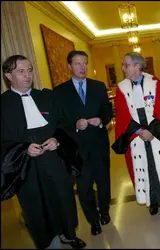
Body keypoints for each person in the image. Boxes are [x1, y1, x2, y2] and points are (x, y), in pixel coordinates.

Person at [1, 55, 86, 249]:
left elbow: (64, 125)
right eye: (20, 71)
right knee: (36, 206)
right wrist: (23, 149)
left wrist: (57, 139)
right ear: (8, 75)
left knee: (63, 198)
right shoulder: (3, 105)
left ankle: (68, 234)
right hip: (25, 168)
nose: (27, 75)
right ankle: (47, 242)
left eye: (29, 70)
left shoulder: (47, 97)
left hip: (54, 161)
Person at [111, 52, 160, 227]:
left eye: (126, 64)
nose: (123, 68)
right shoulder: (121, 88)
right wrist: (139, 131)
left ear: (137, 66)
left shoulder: (154, 84)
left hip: (156, 134)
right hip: (136, 136)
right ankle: (153, 201)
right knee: (145, 169)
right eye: (123, 65)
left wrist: (152, 131)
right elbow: (123, 116)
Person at [53, 50, 113, 236]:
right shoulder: (60, 92)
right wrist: (74, 125)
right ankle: (93, 220)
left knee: (104, 184)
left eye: (85, 63)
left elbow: (107, 110)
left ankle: (104, 212)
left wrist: (101, 120)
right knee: (84, 188)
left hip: (99, 145)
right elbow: (59, 120)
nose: (82, 67)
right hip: (77, 150)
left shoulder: (98, 86)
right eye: (78, 64)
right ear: (69, 66)